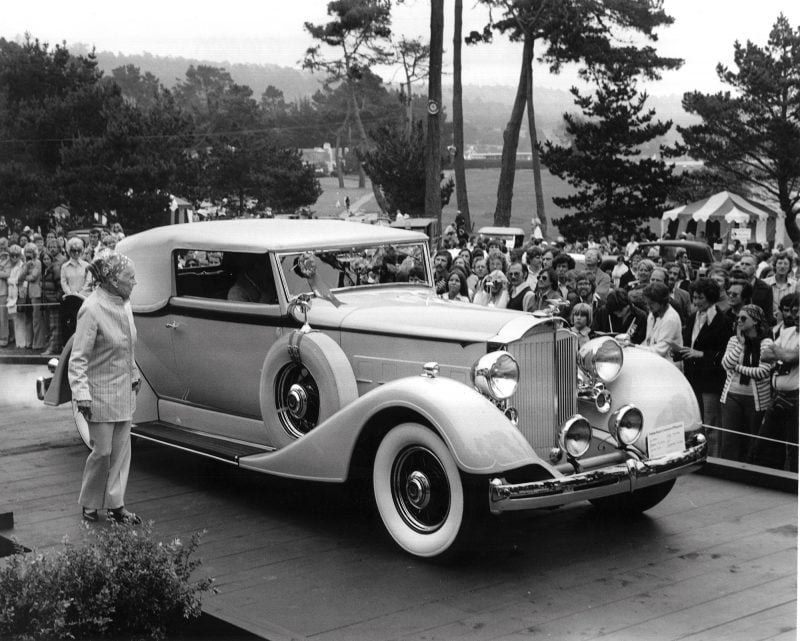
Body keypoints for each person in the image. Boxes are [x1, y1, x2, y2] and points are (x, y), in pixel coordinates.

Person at [68, 250, 142, 524]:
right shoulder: (92, 308)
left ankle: (116, 504)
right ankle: (89, 502)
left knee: (121, 451)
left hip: (124, 389)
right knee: (103, 452)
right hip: (98, 392)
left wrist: (134, 373)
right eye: (130, 278)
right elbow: (78, 358)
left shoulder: (125, 304)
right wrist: (81, 394)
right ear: (112, 280)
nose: (135, 282)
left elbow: (128, 346)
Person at [675, 279, 731, 455]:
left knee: (711, 423)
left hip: (711, 381)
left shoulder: (723, 321)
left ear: (711, 298)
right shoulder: (693, 318)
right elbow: (689, 344)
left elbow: (724, 353)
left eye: (700, 298)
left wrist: (701, 354)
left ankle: (713, 458)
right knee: (695, 422)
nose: (696, 301)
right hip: (692, 378)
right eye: (694, 297)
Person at [719, 304, 774, 463]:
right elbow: (725, 364)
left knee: (752, 441)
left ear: (755, 321)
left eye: (743, 318)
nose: (739, 321)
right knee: (729, 440)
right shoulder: (734, 340)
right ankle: (728, 470)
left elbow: (763, 372)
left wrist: (737, 368)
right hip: (731, 396)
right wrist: (741, 344)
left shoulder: (766, 342)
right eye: (738, 318)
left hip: (756, 400)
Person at [751, 294, 799, 471]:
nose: (797, 315)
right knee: (766, 444)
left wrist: (781, 352)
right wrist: (785, 353)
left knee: (795, 448)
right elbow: (765, 355)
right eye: (794, 311)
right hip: (778, 395)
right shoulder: (787, 332)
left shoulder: (785, 334)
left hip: (796, 399)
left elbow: (790, 357)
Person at [639, 282, 683, 366]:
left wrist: (634, 347)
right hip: (654, 362)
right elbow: (648, 342)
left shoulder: (671, 319)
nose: (648, 306)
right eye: (647, 303)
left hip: (669, 366)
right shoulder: (652, 315)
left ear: (662, 302)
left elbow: (659, 351)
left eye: (651, 303)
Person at [60, 237, 92, 343]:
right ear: (69, 251)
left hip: (84, 298)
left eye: (79, 250)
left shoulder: (86, 266)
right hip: (69, 298)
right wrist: (70, 294)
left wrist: (79, 294)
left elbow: (88, 281)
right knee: (71, 323)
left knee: (83, 323)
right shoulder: (64, 267)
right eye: (73, 250)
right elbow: (63, 282)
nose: (76, 253)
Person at [20, 243, 45, 350]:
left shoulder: (38, 262)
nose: (28, 254)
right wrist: (26, 267)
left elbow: (34, 277)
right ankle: (29, 342)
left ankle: (38, 343)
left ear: (34, 252)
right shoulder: (25, 264)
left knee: (36, 319)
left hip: (36, 293)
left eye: (30, 251)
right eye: (27, 252)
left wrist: (25, 275)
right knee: (28, 318)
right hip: (26, 294)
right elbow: (19, 278)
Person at [0, 239, 9, 346]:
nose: (2, 250)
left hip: (3, 291)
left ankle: (4, 338)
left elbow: (8, 274)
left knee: (3, 317)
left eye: (4, 248)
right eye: (0, 248)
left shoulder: (9, 259)